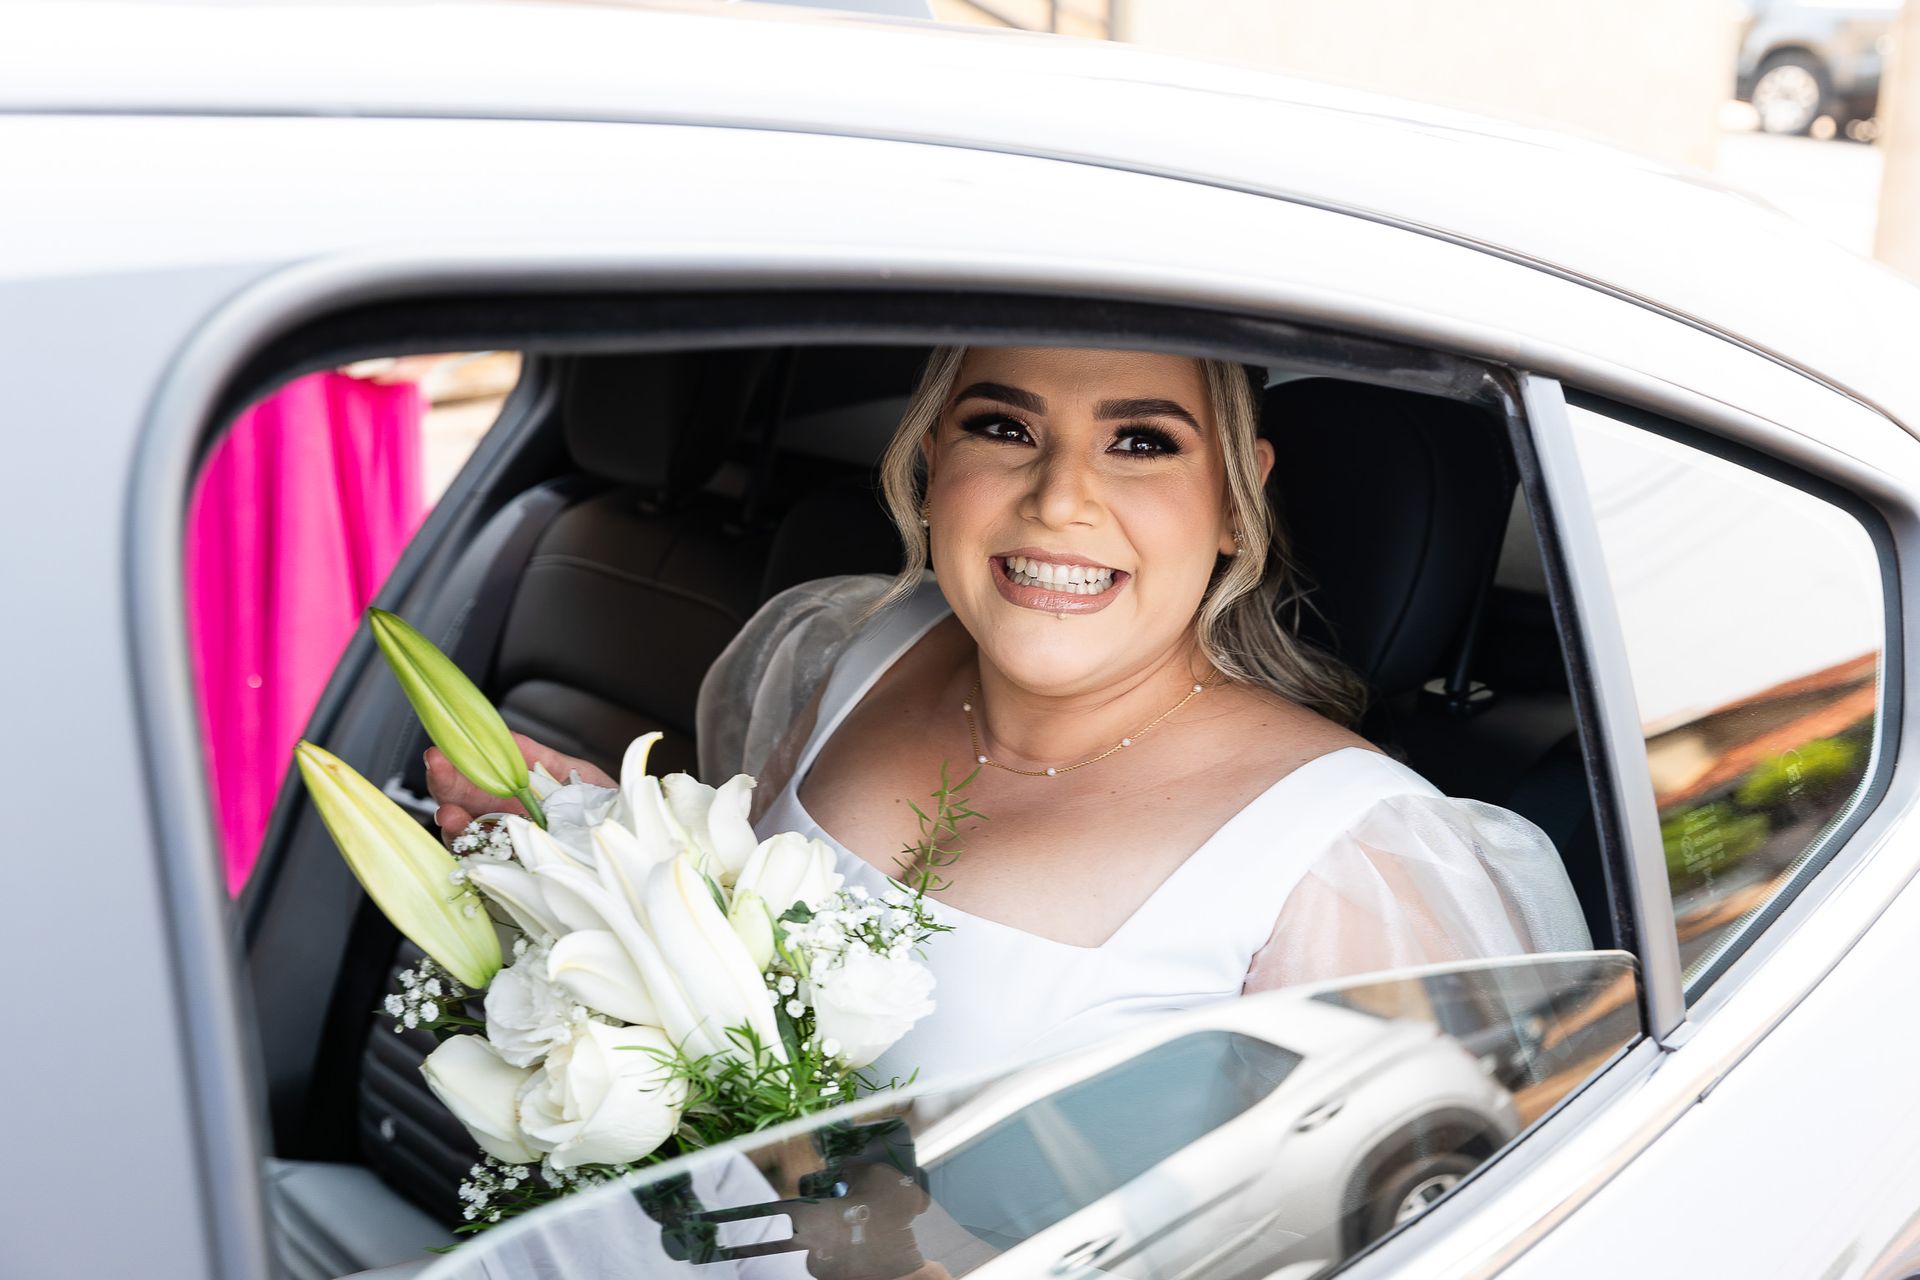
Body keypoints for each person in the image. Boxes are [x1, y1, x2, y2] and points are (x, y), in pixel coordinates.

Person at [428, 345, 1590, 1094]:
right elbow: (730, 970)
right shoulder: (847, 652)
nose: (1062, 497)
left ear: (1237, 499)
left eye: (1142, 442)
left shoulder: (1352, 861)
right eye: (1004, 427)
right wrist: (580, 846)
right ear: (936, 459)